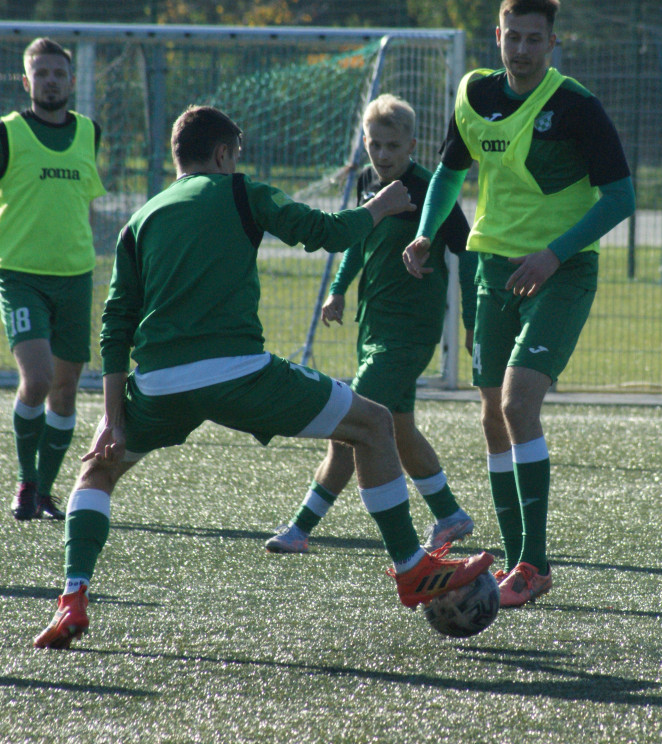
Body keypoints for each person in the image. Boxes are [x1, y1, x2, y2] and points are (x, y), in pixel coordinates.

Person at [33, 105, 493, 650]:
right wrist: (379, 206)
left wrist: (113, 419)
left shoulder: (143, 217)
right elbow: (321, 230)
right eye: (237, 155)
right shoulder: (240, 191)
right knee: (371, 424)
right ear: (225, 154)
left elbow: (114, 324)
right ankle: (411, 566)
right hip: (239, 374)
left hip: (157, 384)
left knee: (96, 474)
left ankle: (72, 596)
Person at [404, 0, 635, 608]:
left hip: (561, 271)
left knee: (517, 402)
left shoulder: (576, 107)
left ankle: (533, 563)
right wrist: (428, 231)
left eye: (536, 38)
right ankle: (513, 561)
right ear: (497, 36)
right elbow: (452, 172)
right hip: (491, 267)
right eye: (514, 36)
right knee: (491, 415)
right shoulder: (474, 96)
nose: (524, 49)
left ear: (552, 43)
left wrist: (554, 253)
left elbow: (621, 198)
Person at [265, 94, 479, 555]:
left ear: (412, 145)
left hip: (410, 333)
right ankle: (450, 515)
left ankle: (301, 528)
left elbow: (468, 251)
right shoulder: (368, 181)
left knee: (349, 427)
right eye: (375, 145)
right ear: (365, 143)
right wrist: (339, 288)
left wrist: (471, 321)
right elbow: (359, 241)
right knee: (398, 429)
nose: (382, 156)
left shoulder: (430, 188)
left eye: (393, 147)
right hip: (373, 327)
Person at [1, 38, 105, 521]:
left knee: (66, 390)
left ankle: (45, 491)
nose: (50, 81)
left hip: (75, 277)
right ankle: (25, 481)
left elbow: (85, 204)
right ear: (27, 82)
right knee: (37, 379)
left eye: (57, 73)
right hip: (20, 275)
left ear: (72, 81)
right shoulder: (8, 134)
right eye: (40, 74)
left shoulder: (90, 133)